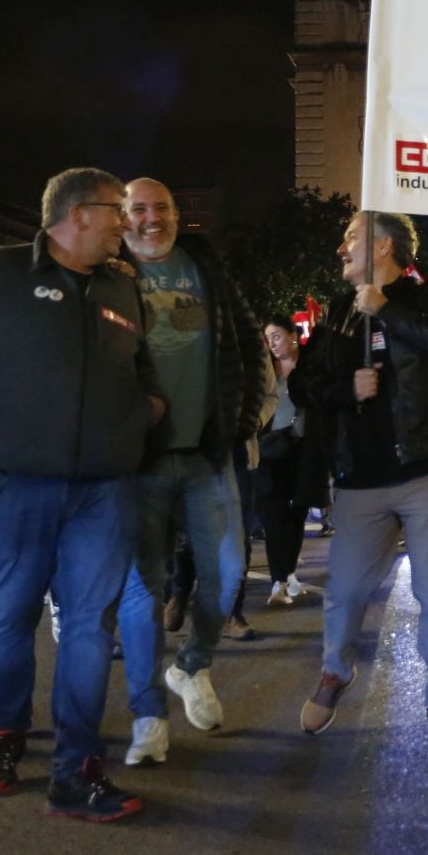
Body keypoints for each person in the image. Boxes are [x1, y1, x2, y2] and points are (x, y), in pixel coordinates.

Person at [0, 166, 166, 822]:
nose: (129, 222)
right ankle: (3, 734)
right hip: (15, 482)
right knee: (10, 617)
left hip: (103, 487)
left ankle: (77, 770)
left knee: (89, 628)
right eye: (117, 210)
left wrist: (145, 411)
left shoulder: (122, 284)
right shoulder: (2, 272)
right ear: (79, 213)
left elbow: (142, 362)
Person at [297, 211, 428, 751]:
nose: (340, 248)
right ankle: (335, 670)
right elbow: (305, 383)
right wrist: (347, 388)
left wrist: (388, 310)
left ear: (383, 246)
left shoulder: (425, 295)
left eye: (350, 237)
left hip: (427, 467)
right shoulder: (338, 312)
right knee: (345, 590)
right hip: (360, 477)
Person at [113, 177, 270, 769]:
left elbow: (249, 341)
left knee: (227, 572)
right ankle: (148, 714)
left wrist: (245, 415)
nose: (151, 219)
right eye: (138, 209)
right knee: (142, 592)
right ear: (121, 217)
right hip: (139, 460)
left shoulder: (205, 265)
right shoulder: (105, 271)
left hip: (207, 453)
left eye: (162, 209)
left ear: (179, 215)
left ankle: (191, 665)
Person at [258, 315, 323, 608]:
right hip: (270, 453)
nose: (272, 343)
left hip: (302, 452)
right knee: (273, 519)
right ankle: (278, 581)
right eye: (268, 338)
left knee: (296, 516)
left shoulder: (309, 368)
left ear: (293, 335)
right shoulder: (264, 371)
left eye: (277, 336)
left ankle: (289, 574)